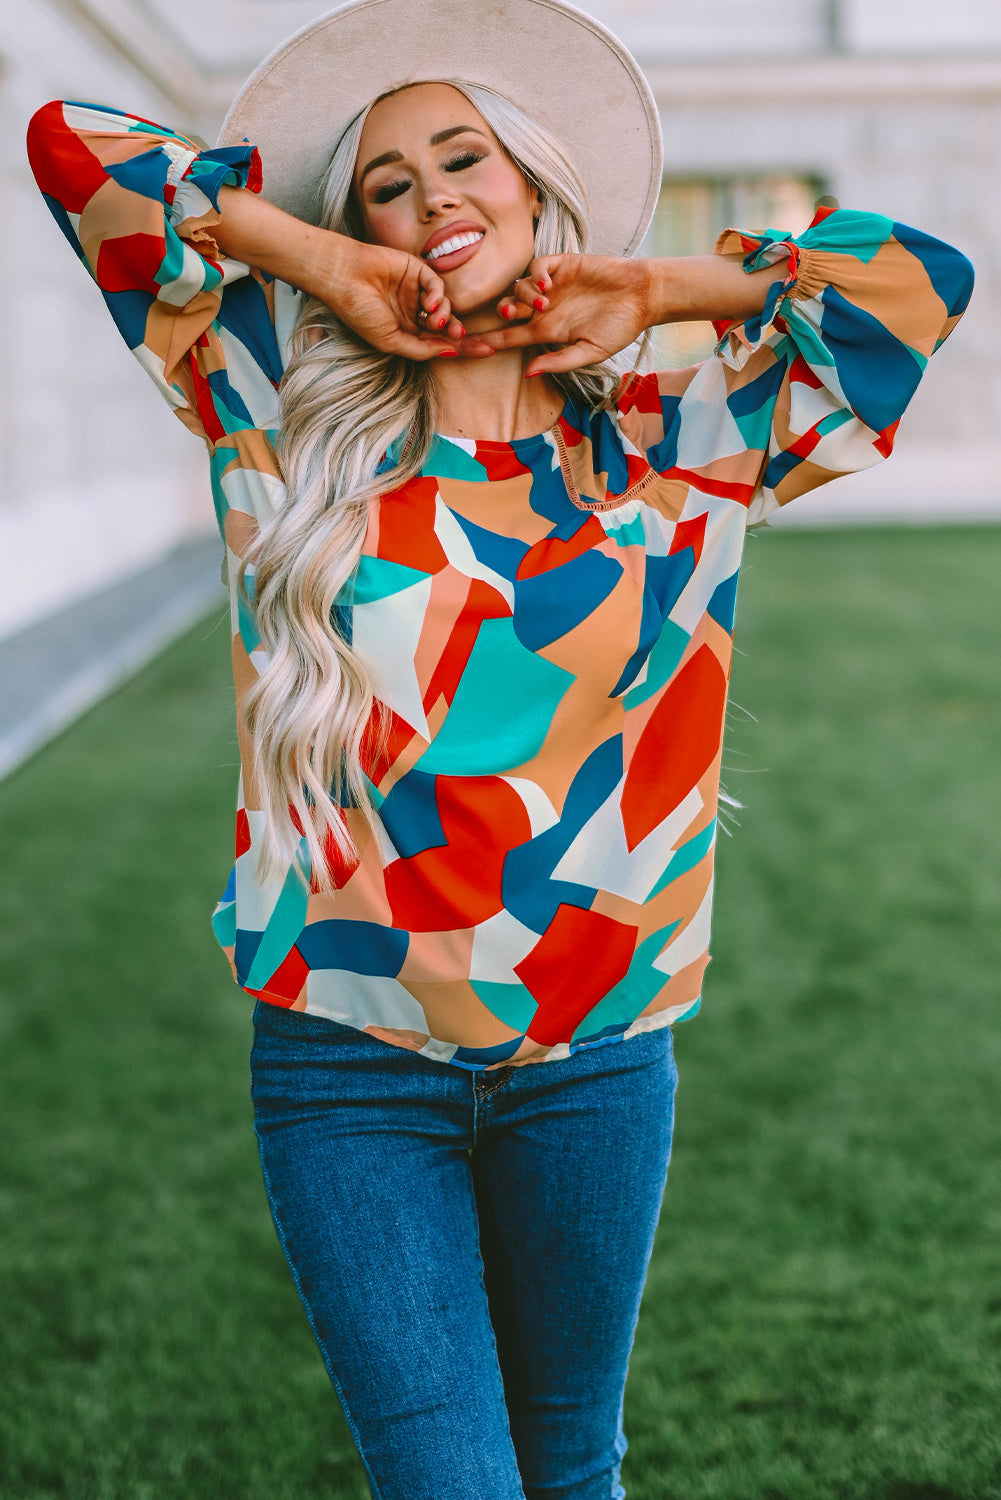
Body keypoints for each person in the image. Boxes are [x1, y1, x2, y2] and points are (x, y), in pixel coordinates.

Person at [26, 1, 974, 1496]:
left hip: (596, 1062)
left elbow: (916, 283)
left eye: (463, 159)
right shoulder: (278, 401)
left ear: (538, 187)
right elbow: (75, 148)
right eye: (386, 184)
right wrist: (320, 261)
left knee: (570, 1467)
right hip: (347, 1071)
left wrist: (652, 286)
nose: (425, 199)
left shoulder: (680, 432)